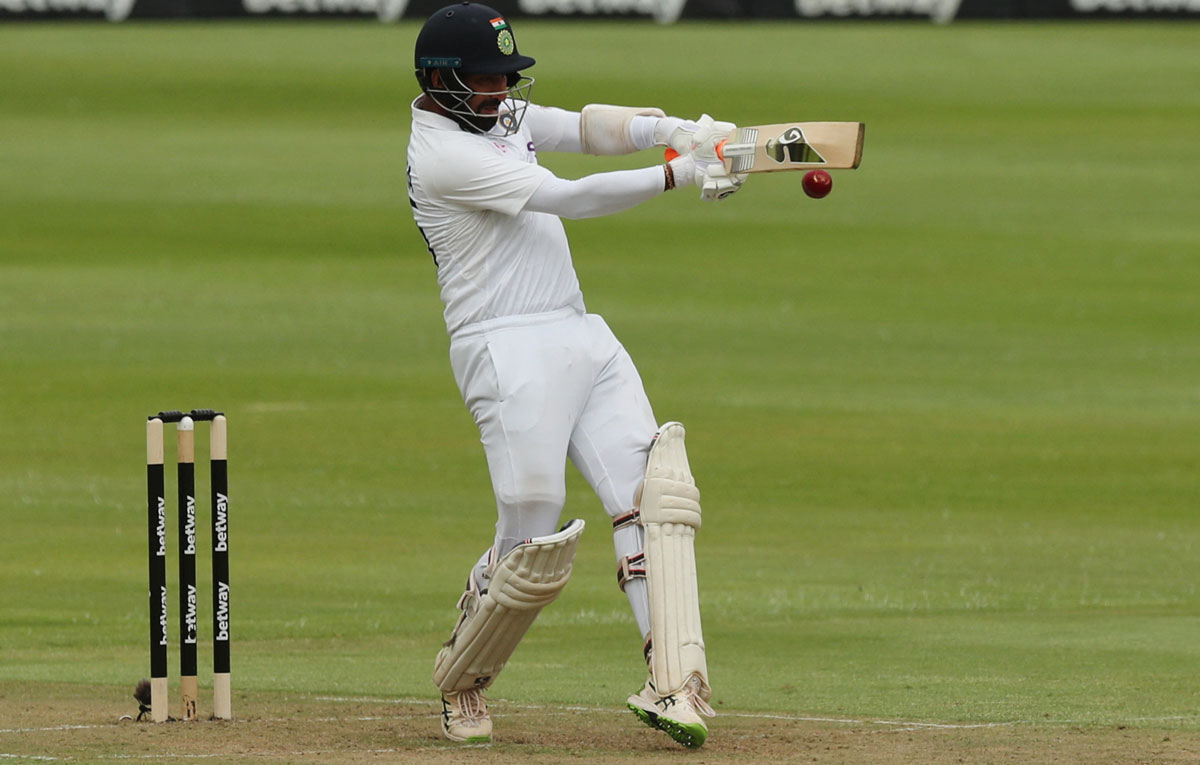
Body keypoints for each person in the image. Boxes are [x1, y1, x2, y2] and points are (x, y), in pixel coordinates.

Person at [406, 2, 744, 749]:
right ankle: (464, 677)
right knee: (534, 534)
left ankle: (676, 681)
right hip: (502, 346)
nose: (500, 93)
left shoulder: (498, 116)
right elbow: (568, 195)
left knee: (654, 501)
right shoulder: (442, 155)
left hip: (578, 329)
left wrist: (671, 128)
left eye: (504, 78)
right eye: (485, 80)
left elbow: (585, 125)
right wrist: (683, 172)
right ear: (439, 80)